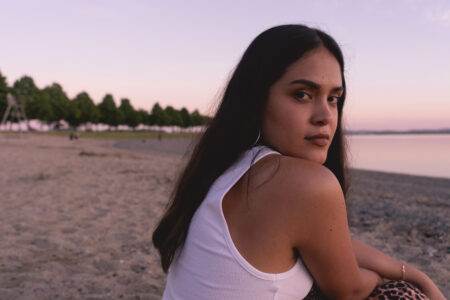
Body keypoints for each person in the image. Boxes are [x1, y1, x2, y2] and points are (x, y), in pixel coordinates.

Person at [152, 25, 445, 300]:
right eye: (302, 94)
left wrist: (412, 272)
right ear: (256, 99)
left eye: (333, 98)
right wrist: (395, 281)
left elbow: (334, 246)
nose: (325, 116)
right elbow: (350, 290)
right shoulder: (299, 183)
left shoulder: (228, 168)